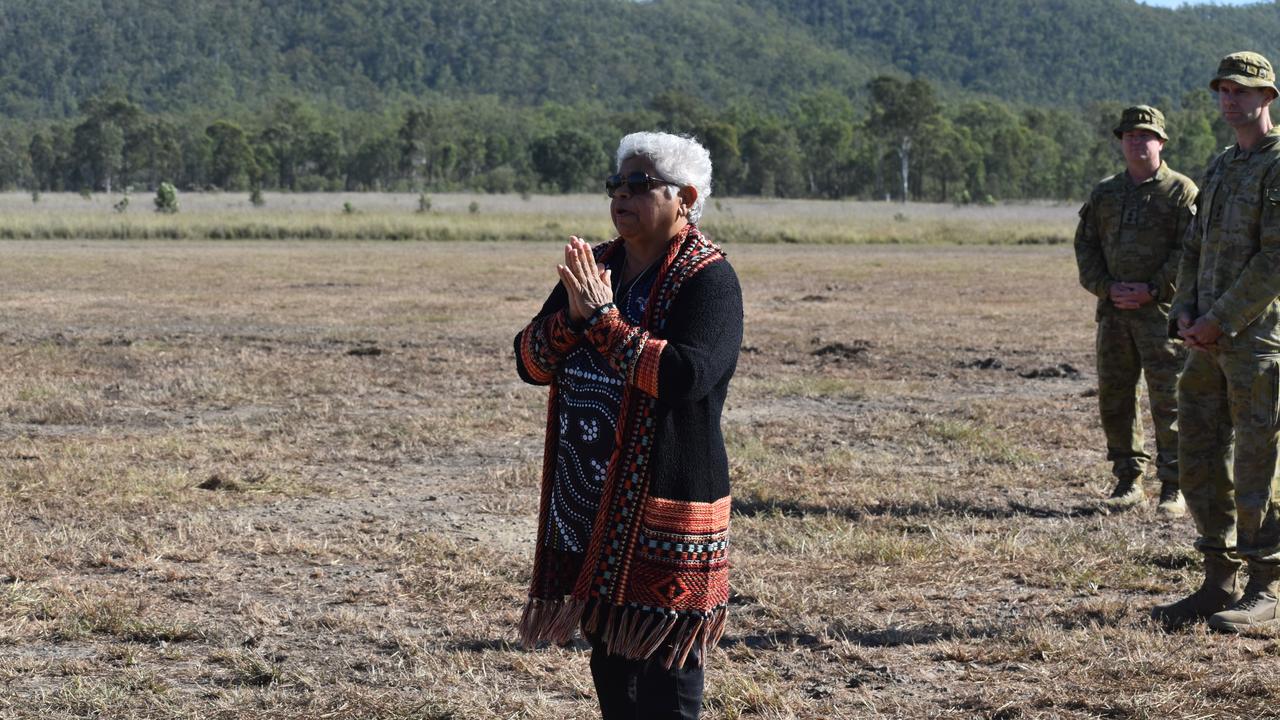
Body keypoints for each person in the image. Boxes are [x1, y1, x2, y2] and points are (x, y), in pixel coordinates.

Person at [513, 131, 742, 717]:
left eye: (641, 185)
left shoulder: (709, 278)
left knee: (665, 656)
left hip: (668, 495)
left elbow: (684, 377)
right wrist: (573, 316)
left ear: (685, 198)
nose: (622, 195)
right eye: (617, 183)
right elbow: (530, 362)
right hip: (592, 494)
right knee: (610, 659)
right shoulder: (597, 267)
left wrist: (604, 323)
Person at [1153, 51, 1280, 632]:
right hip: (1205, 341)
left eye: (1243, 91)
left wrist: (1221, 319)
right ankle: (1215, 580)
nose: (1231, 100)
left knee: (1258, 461)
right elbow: (1194, 248)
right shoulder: (1223, 165)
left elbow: (1274, 260)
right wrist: (1183, 311)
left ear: (1267, 98)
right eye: (1223, 91)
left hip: (1257, 342)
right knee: (1200, 452)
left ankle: (1266, 588)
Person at [1074, 105, 1198, 516]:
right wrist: (1107, 288)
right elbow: (1086, 246)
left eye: (1145, 135)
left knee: (1170, 399)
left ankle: (1174, 486)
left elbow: (1190, 250)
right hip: (1114, 314)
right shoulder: (1105, 193)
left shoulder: (1181, 192)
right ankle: (1128, 479)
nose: (1136, 141)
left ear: (1161, 142)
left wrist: (1153, 288)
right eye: (1129, 135)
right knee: (1115, 395)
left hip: (1163, 315)